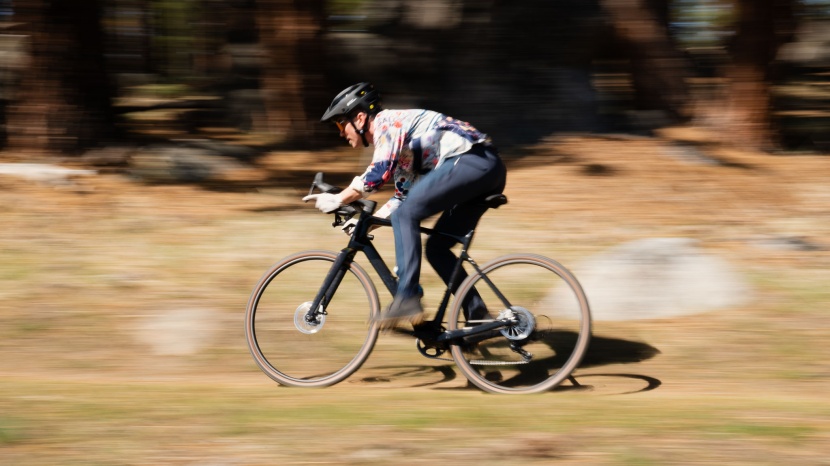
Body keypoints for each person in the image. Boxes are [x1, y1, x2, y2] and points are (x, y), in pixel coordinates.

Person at [304, 82, 507, 329]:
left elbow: (378, 173)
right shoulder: (400, 148)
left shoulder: (387, 123)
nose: (339, 133)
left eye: (340, 124)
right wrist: (366, 224)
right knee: (437, 249)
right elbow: (402, 197)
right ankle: (478, 317)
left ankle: (407, 298)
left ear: (359, 118)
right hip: (486, 169)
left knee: (406, 216)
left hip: (471, 162)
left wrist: (339, 198)